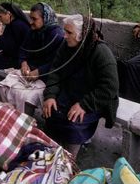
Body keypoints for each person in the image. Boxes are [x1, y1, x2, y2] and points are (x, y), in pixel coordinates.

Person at [43, 14, 119, 157]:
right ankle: (51, 153)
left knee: (73, 122)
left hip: (93, 98)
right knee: (52, 113)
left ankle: (69, 161)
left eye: (69, 32)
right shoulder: (65, 46)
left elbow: (109, 87)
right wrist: (51, 95)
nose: (64, 36)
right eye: (65, 31)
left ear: (82, 34)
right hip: (71, 91)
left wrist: (84, 105)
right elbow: (55, 71)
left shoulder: (101, 53)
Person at [0, 2, 64, 114]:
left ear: (45, 18)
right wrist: (23, 62)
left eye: (34, 19)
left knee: (24, 97)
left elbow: (57, 62)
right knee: (3, 85)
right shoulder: (33, 31)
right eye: (30, 18)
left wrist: (39, 71)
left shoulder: (56, 35)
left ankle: (23, 122)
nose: (31, 22)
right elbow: (23, 49)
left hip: (47, 75)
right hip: (30, 71)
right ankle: (9, 116)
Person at [0, 2, 31, 78]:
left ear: (9, 14)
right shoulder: (12, 23)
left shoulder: (18, 25)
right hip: (11, 55)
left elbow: (8, 48)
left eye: (0, 16)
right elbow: (8, 42)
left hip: (17, 58)